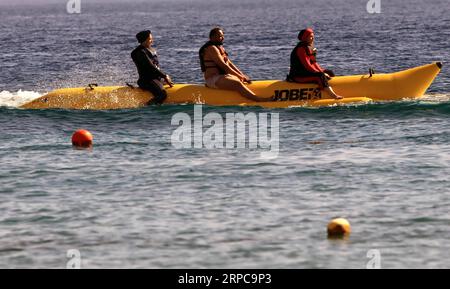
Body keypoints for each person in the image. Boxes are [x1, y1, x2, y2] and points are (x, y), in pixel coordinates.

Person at [199, 27, 265, 102]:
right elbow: (224, 66)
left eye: (223, 35)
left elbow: (229, 63)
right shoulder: (211, 49)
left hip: (222, 77)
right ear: (213, 37)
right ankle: (259, 99)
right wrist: (240, 76)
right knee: (237, 84)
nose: (222, 38)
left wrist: (242, 75)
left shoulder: (220, 48)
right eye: (220, 36)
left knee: (240, 81)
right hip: (213, 79)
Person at [287, 28, 343, 99]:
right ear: (305, 38)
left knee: (329, 72)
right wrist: (321, 73)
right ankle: (333, 95)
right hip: (298, 76)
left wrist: (322, 71)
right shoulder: (300, 49)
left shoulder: (308, 47)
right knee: (319, 76)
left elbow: (314, 63)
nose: (313, 38)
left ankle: (337, 88)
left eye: (313, 36)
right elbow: (307, 65)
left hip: (306, 72)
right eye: (310, 37)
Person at [131, 30, 173, 105]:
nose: (152, 41)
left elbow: (156, 66)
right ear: (144, 40)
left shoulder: (150, 50)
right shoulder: (140, 52)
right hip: (147, 81)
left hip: (155, 79)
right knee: (162, 95)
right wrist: (164, 76)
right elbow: (151, 66)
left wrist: (163, 78)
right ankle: (146, 106)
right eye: (150, 39)